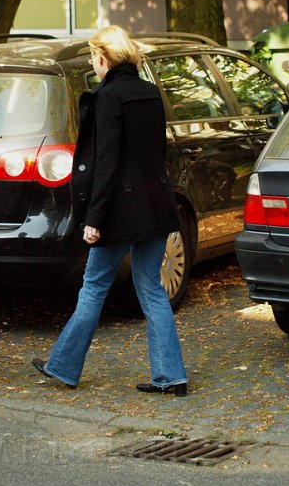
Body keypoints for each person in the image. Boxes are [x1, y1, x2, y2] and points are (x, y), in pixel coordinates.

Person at [32, 25, 188, 397]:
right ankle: (171, 375)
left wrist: (93, 219)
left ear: (104, 58)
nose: (91, 62)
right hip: (153, 205)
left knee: (94, 287)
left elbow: (106, 164)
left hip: (118, 212)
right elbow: (155, 154)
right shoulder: (150, 94)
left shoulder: (107, 98)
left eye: (92, 56)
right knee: (151, 288)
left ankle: (64, 367)